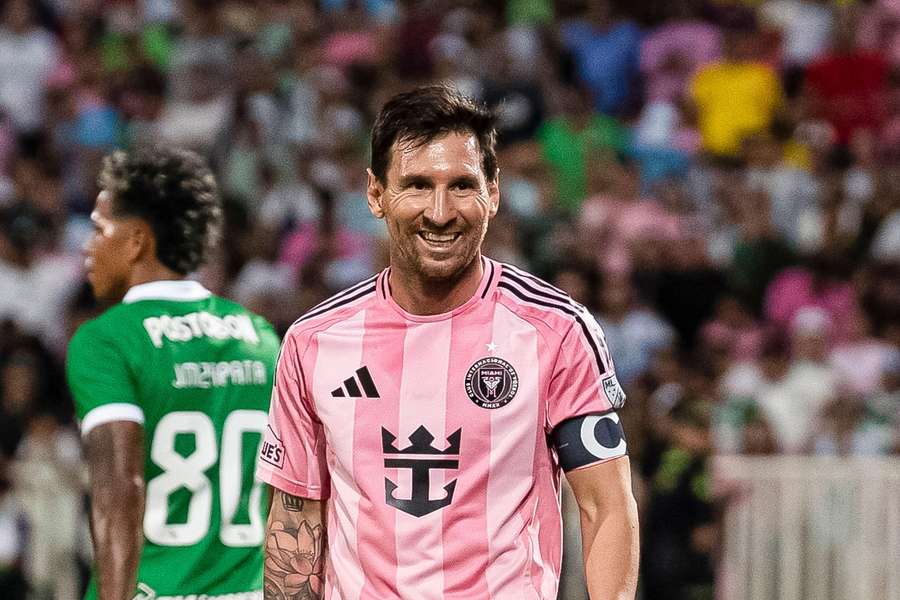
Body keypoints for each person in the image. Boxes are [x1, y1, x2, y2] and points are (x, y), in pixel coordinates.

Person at [257, 86, 639, 599]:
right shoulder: (313, 342)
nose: (440, 213)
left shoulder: (557, 332)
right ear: (375, 194)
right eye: (416, 186)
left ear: (494, 192)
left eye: (461, 186)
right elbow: (296, 517)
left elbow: (606, 505)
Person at [66, 148, 280, 600]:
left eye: (99, 229)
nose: (88, 248)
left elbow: (118, 486)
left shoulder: (106, 340)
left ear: (137, 241)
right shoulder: (259, 335)